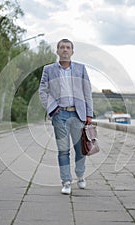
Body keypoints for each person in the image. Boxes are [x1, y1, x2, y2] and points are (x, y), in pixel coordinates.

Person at [39, 39, 93, 195]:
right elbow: (43, 90)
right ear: (57, 51)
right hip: (59, 114)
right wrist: (51, 108)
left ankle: (80, 175)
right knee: (63, 150)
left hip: (78, 114)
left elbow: (87, 91)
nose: (65, 50)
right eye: (62, 47)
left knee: (80, 150)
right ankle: (66, 181)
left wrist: (89, 113)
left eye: (68, 47)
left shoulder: (81, 69)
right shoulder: (48, 70)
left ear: (72, 52)